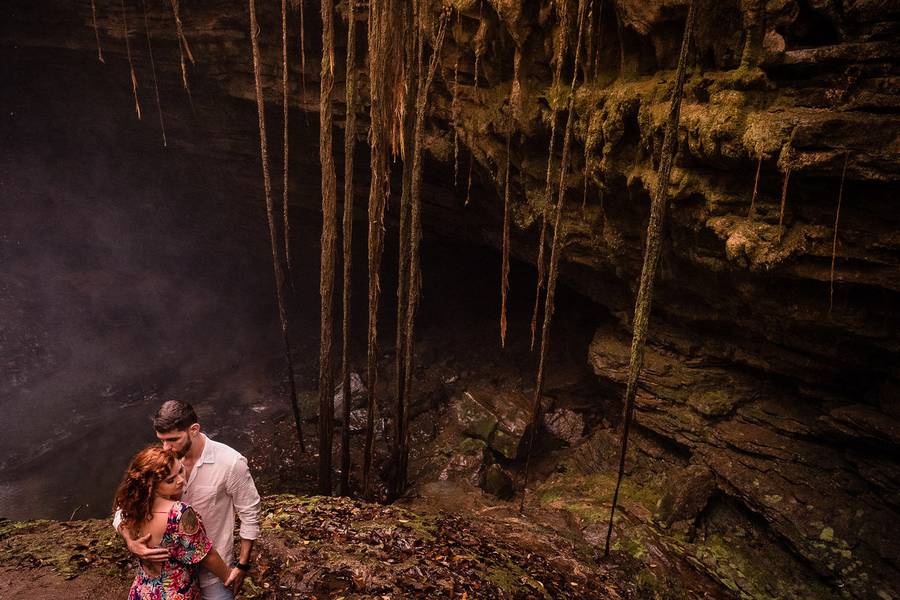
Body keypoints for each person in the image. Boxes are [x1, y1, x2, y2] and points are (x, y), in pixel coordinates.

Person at [116, 400, 262, 600]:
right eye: (161, 440)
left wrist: (242, 565)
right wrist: (131, 543)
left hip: (214, 571)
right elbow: (125, 507)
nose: (166, 447)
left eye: (173, 439)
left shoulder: (230, 463)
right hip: (172, 574)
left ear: (194, 429)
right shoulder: (162, 463)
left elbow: (250, 514)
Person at [113, 445, 232, 600]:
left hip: (143, 590)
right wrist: (229, 576)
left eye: (180, 470)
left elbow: (120, 518)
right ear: (151, 486)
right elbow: (207, 555)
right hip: (175, 592)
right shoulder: (179, 513)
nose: (181, 480)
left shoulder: (131, 506)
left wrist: (130, 541)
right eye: (171, 480)